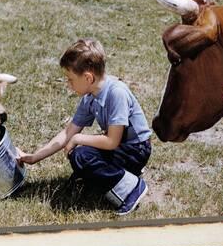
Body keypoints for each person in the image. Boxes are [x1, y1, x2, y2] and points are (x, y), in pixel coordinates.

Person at [18, 38, 152, 215]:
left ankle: (132, 188)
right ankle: (118, 173)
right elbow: (68, 132)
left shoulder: (116, 92)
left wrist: (79, 138)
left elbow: (111, 141)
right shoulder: (90, 96)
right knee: (78, 155)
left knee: (82, 155)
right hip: (120, 147)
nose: (68, 84)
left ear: (88, 77)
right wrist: (34, 157)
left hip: (136, 149)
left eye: (71, 79)